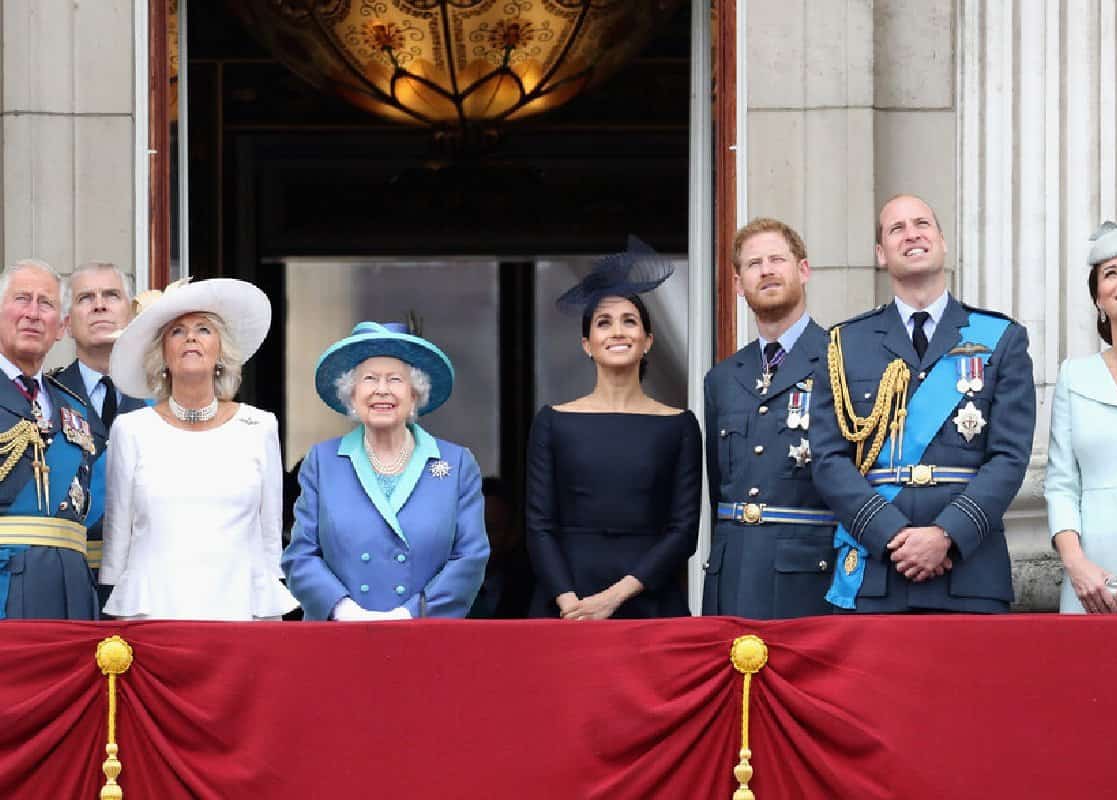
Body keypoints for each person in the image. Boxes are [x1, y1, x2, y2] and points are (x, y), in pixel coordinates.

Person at [809, 194, 1035, 613]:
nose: (911, 234)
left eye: (922, 224)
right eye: (896, 229)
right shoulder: (845, 344)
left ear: (943, 242)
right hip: (878, 569)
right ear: (881, 254)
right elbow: (827, 458)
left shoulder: (1000, 338)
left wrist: (947, 534)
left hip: (969, 571)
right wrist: (891, 534)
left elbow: (1009, 457)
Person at [100, 278, 298, 620]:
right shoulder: (131, 429)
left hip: (239, 609)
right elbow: (118, 539)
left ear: (221, 350)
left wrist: (270, 614)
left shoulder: (260, 426)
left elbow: (269, 540)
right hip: (153, 613)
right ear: (162, 354)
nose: (190, 337)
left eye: (203, 329)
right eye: (177, 331)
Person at [527, 236, 701, 619]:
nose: (617, 332)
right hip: (566, 603)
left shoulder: (680, 426)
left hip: (649, 600)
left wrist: (615, 597)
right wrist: (568, 600)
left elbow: (683, 531)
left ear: (648, 340)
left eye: (629, 321)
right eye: (603, 323)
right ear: (587, 344)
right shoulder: (553, 421)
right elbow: (539, 526)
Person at [282, 321, 490, 620]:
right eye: (369, 379)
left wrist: (411, 613)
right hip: (339, 637)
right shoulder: (322, 461)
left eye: (395, 379)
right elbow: (300, 555)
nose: (382, 390)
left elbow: (470, 558)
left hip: (425, 636)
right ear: (352, 395)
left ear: (415, 394)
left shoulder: (456, 463)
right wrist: (344, 611)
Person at [702, 218, 836, 619]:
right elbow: (718, 488)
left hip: (809, 576)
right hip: (733, 574)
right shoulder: (723, 378)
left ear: (803, 270)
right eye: (754, 263)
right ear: (739, 284)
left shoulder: (841, 359)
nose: (767, 270)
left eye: (777, 258)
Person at [1046, 212, 1117, 613]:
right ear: (1098, 297)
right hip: (1090, 582)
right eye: (1111, 273)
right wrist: (1076, 564)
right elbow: (1061, 483)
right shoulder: (1074, 375)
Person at [0, 259, 99, 619]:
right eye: (21, 299)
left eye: (46, 304)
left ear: (61, 327)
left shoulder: (74, 408)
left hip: (70, 589)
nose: (33, 313)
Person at [54, 262, 145, 612]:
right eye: (85, 298)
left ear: (132, 314)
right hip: (69, 580)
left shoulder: (164, 400)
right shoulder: (45, 397)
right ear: (66, 323)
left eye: (111, 295)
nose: (99, 305)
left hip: (144, 584)